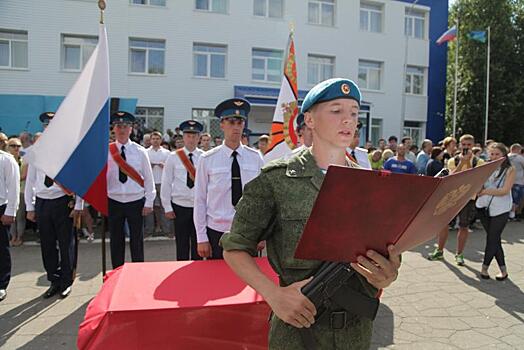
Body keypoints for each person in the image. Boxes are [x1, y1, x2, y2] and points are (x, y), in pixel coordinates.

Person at [220, 78, 400, 349]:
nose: (348, 120)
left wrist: (389, 273)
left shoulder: (370, 185)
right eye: (336, 110)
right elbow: (234, 248)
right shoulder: (276, 179)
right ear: (310, 120)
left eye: (353, 112)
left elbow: (385, 252)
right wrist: (273, 294)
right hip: (297, 331)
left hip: (356, 332)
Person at [194, 98, 264, 259]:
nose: (236, 127)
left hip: (248, 231)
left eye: (240, 123)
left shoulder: (255, 158)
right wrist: (201, 237)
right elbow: (199, 200)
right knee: (217, 281)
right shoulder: (207, 159)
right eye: (231, 122)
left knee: (249, 281)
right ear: (222, 125)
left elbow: (262, 199)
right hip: (217, 231)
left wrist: (262, 233)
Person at [25, 112, 82, 298]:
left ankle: (66, 281)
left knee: (66, 243)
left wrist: (79, 204)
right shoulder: (37, 151)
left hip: (62, 200)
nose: (49, 128)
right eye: (46, 125)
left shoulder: (68, 150)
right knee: (47, 244)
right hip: (42, 202)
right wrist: (30, 207)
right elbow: (31, 181)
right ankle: (54, 280)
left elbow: (78, 178)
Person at [107, 111, 155, 269]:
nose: (122, 129)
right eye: (118, 126)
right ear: (113, 128)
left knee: (137, 239)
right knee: (116, 240)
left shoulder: (140, 151)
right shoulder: (106, 151)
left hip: (135, 201)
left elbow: (148, 178)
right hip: (113, 200)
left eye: (125, 126)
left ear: (131, 129)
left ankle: (137, 272)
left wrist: (149, 201)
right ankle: (117, 272)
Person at [428, 134, 484, 265]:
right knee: (443, 224)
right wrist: (462, 162)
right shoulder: (452, 160)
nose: (466, 147)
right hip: (452, 197)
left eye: (468, 145)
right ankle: (440, 250)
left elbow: (475, 179)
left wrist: (468, 162)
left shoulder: (479, 162)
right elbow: (452, 178)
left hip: (468, 198)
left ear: (473, 145)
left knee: (463, 227)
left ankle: (459, 254)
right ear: (459, 145)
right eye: (463, 145)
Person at [161, 120, 204, 260]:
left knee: (199, 242)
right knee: (181, 243)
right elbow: (166, 182)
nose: (191, 139)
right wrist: (167, 206)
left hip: (199, 206)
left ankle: (197, 272)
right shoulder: (173, 157)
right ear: (183, 137)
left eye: (194, 136)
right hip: (179, 206)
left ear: (199, 138)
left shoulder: (205, 157)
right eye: (188, 136)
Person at [476, 143, 515, 280]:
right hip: (483, 207)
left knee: (492, 238)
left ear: (504, 155)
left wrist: (485, 191)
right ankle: (503, 270)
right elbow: (478, 184)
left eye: (497, 154)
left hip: (501, 209)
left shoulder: (510, 169)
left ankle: (484, 268)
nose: (493, 157)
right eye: (491, 154)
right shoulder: (485, 167)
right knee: (495, 239)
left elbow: (504, 190)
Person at [0, 147, 20, 301]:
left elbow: (13, 187)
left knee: (1, 248)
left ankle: (2, 284)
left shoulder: (6, 159)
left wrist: (11, 211)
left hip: (1, 207)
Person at [145, 131, 171, 237]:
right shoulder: (145, 152)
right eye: (153, 139)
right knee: (149, 207)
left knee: (164, 206)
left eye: (157, 139)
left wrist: (164, 166)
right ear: (150, 140)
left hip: (163, 182)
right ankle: (149, 230)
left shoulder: (167, 153)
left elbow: (171, 168)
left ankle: (167, 230)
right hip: (149, 183)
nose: (155, 141)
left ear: (161, 140)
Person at [7, 138, 27, 246]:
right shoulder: (5, 160)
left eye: (18, 146)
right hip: (8, 192)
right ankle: (13, 236)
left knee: (20, 216)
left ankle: (19, 236)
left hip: (21, 191)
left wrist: (11, 179)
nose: (16, 148)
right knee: (10, 215)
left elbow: (24, 175)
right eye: (13, 146)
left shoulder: (24, 160)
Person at [508, 143, 524, 220]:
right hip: (519, 181)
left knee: (510, 198)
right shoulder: (520, 158)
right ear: (516, 149)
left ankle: (509, 214)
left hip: (508, 180)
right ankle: (512, 214)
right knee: (516, 199)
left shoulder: (506, 157)